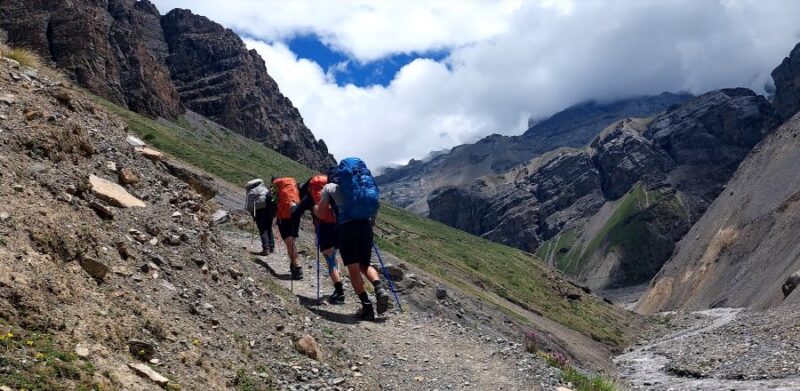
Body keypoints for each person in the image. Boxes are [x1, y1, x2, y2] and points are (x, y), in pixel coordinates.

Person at [316, 159, 389, 321]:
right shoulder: (363, 186)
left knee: (354, 270)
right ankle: (379, 287)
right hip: (365, 227)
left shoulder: (330, 188)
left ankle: (367, 309)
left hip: (346, 229)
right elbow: (375, 207)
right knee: (365, 265)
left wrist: (316, 209)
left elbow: (320, 214)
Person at [298, 173, 346, 304]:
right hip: (340, 226)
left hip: (324, 228)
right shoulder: (333, 190)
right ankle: (339, 282)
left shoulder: (310, 197)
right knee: (334, 255)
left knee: (329, 258)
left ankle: (339, 292)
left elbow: (298, 210)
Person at [272, 176, 303, 280]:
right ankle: (293, 265)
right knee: (292, 242)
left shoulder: (275, 187)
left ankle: (298, 267)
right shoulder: (292, 185)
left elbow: (273, 202)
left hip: (284, 217)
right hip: (296, 214)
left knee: (289, 243)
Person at [245, 179, 275, 255]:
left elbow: (249, 205)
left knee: (262, 230)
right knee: (269, 228)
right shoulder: (265, 189)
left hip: (259, 212)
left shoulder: (252, 191)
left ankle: (266, 249)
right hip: (269, 211)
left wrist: (252, 214)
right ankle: (271, 247)